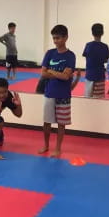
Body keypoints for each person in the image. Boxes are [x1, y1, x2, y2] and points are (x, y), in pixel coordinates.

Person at [39, 25, 76, 158]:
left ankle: (58, 148)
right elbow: (43, 74)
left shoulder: (70, 56)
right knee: (47, 122)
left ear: (65, 37)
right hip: (50, 92)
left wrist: (51, 71)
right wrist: (58, 73)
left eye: (58, 38)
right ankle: (46, 145)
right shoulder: (49, 53)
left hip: (64, 94)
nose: (55, 41)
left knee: (61, 124)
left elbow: (66, 76)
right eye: (54, 38)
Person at [82, 23, 109, 98]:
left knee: (88, 98)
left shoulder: (88, 45)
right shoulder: (105, 47)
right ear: (102, 33)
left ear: (92, 33)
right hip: (100, 75)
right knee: (99, 99)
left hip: (89, 74)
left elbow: (86, 56)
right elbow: (106, 60)